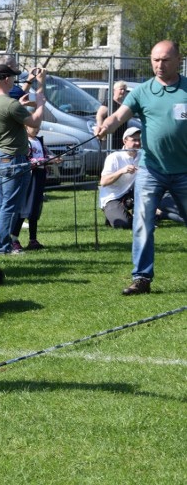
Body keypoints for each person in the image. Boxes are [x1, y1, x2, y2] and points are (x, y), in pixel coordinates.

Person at [95, 40, 187, 296]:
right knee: (142, 224)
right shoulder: (142, 92)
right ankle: (141, 278)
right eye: (155, 59)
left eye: (165, 60)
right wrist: (106, 127)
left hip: (184, 170)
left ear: (178, 59)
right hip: (151, 169)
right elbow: (118, 117)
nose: (159, 65)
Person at [0, 63, 47, 256]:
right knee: (9, 206)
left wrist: (22, 105)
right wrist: (41, 98)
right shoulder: (9, 104)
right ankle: (3, 247)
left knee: (2, 205)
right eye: (12, 78)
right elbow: (35, 122)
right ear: (5, 79)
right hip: (13, 159)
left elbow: (10, 114)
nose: (14, 81)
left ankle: (2, 245)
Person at [9, 125, 60, 251]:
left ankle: (33, 239)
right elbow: (27, 159)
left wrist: (53, 159)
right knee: (25, 208)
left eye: (38, 126)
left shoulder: (39, 141)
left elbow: (46, 155)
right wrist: (45, 160)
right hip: (29, 179)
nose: (36, 129)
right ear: (26, 127)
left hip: (40, 178)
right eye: (33, 126)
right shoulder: (24, 141)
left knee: (34, 209)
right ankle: (13, 238)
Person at [99, 127, 142, 229]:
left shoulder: (142, 156)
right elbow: (103, 182)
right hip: (112, 197)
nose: (137, 143)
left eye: (139, 140)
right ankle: (113, 215)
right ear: (125, 141)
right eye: (134, 140)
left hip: (131, 195)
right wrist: (122, 171)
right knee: (125, 224)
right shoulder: (114, 157)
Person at [95, 81, 130, 149]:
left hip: (122, 136)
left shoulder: (124, 104)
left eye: (124, 90)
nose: (123, 91)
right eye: (121, 89)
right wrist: (101, 129)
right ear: (114, 90)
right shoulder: (109, 102)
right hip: (110, 137)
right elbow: (99, 116)